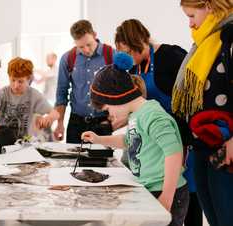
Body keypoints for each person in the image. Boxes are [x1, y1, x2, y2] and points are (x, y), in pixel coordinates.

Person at [81, 52, 189, 226]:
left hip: (166, 191)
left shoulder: (153, 116)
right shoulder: (136, 115)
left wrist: (166, 199)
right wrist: (99, 139)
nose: (110, 114)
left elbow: (174, 153)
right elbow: (128, 141)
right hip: (150, 188)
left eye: (108, 108)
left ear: (117, 97)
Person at [115, 19, 202, 226]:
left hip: (180, 139)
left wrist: (185, 142)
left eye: (128, 52)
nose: (126, 58)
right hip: (151, 145)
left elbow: (194, 97)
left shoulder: (170, 56)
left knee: (187, 195)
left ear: (139, 42)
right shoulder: (134, 69)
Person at [172, 1, 233, 226]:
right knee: (214, 220)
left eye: (191, 15)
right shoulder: (204, 43)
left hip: (226, 148)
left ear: (209, 6)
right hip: (201, 145)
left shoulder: (229, 37)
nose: (190, 23)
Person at [54, 19, 115, 143]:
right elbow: (61, 94)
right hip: (76, 124)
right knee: (72, 162)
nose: (86, 50)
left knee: (103, 162)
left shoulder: (111, 55)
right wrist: (59, 124)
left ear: (95, 35)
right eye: (81, 46)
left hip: (103, 123)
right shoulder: (68, 58)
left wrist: (114, 117)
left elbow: (120, 89)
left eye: (89, 44)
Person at [0, 57, 59, 139]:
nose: (16, 86)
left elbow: (55, 114)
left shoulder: (34, 95)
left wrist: (49, 118)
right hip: (3, 140)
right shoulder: (2, 93)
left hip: (25, 142)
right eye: (13, 80)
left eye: (20, 81)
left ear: (28, 79)